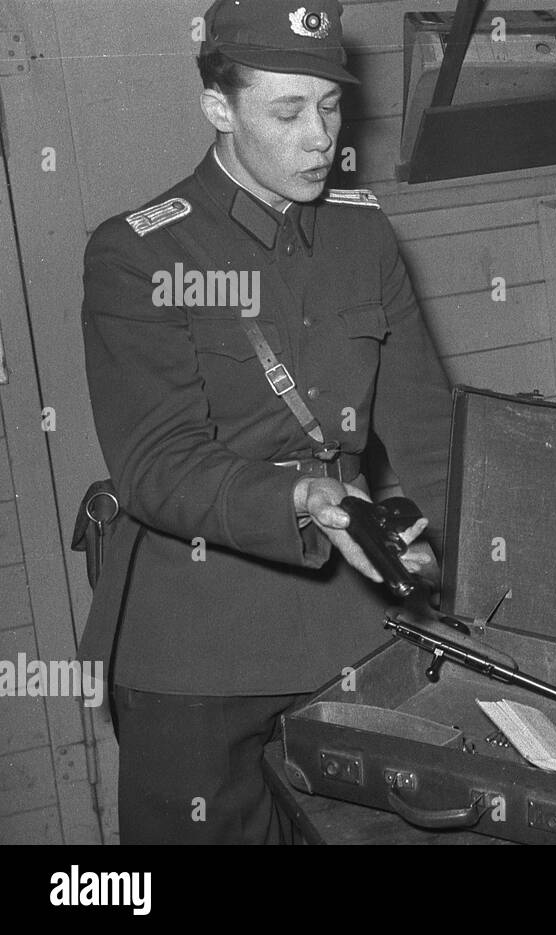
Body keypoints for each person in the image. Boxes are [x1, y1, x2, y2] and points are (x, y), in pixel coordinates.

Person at [78, 0, 452, 843]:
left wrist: (494, 554)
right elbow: (157, 466)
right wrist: (310, 497)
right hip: (198, 646)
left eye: (330, 106)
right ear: (219, 107)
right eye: (287, 111)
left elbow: (429, 430)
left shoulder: (363, 235)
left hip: (352, 626)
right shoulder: (142, 255)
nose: (320, 137)